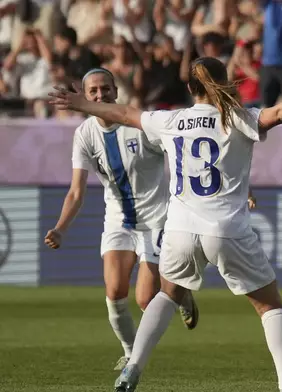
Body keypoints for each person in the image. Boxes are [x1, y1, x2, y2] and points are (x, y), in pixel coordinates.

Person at [49, 57, 282, 392]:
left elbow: (124, 114)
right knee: (269, 306)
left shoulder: (171, 120)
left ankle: (132, 367)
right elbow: (278, 113)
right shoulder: (236, 118)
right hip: (225, 228)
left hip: (179, 230)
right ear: (224, 83)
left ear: (190, 88)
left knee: (167, 294)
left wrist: (82, 103)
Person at [43, 68, 199, 372]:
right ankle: (130, 356)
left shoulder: (140, 124)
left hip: (156, 221)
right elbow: (76, 191)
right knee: (114, 292)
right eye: (94, 92)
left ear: (116, 90)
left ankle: (183, 295)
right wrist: (60, 228)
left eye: (105, 89)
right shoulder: (85, 134)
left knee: (145, 300)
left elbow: (183, 155)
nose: (100, 95)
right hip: (118, 222)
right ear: (86, 96)